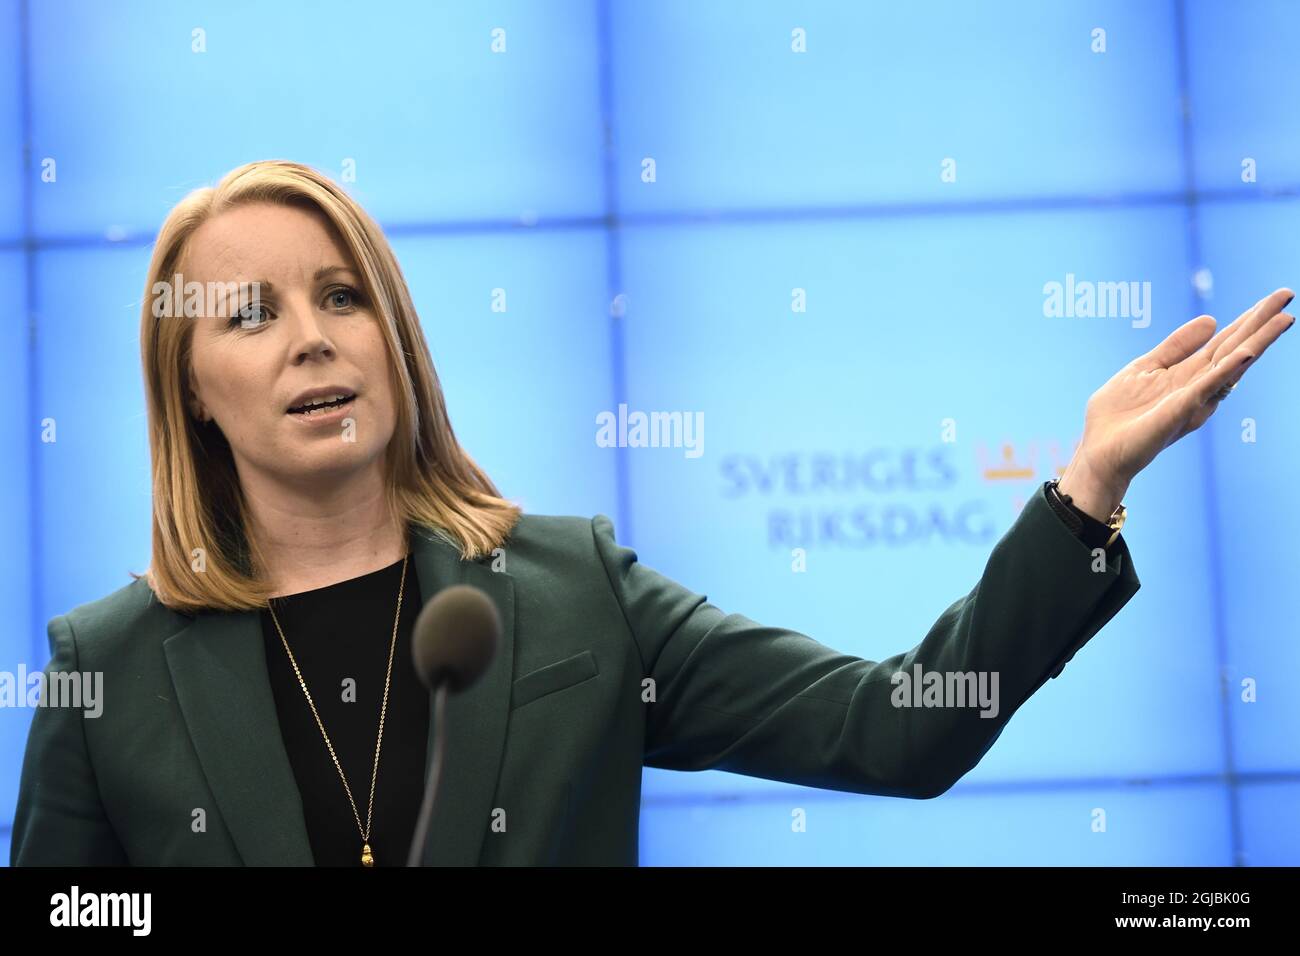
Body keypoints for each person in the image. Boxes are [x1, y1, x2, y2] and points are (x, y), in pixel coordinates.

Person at [9, 160, 1293, 866]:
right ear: (189, 391)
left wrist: (1082, 492)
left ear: (394, 336)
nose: (309, 340)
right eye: (251, 315)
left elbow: (897, 728)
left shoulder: (571, 590)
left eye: (343, 297)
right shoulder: (108, 668)